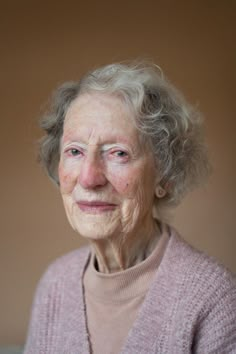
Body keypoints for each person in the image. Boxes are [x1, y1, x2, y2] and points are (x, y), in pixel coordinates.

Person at [24, 61, 236, 354]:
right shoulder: (54, 286)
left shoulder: (213, 299)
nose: (89, 177)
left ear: (164, 173)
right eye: (74, 151)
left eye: (118, 153)